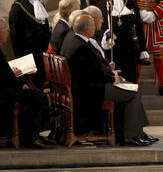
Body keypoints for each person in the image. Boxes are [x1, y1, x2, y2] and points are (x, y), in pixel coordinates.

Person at [60, 10, 154, 145]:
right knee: (134, 92)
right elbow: (91, 73)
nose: (94, 28)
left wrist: (110, 73)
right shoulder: (80, 46)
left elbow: (91, 68)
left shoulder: (73, 40)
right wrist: (112, 78)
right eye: (92, 26)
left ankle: (139, 132)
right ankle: (132, 135)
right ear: (85, 28)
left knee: (131, 87)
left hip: (87, 86)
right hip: (90, 91)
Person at [0, 18, 52, 148]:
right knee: (38, 96)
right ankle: (31, 136)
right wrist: (19, 82)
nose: (8, 33)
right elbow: (0, 78)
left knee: (32, 94)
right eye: (6, 30)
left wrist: (16, 80)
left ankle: (30, 134)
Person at [97, 0, 149, 85]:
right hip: (115, 51)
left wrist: (143, 48)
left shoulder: (131, 2)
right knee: (119, 83)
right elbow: (100, 27)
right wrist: (106, 37)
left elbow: (138, 27)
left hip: (131, 49)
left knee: (132, 81)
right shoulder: (103, 5)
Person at [7, 0, 52, 85]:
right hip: (28, 53)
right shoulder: (18, 7)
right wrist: (22, 57)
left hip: (43, 51)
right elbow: (15, 35)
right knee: (34, 84)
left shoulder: (40, 4)